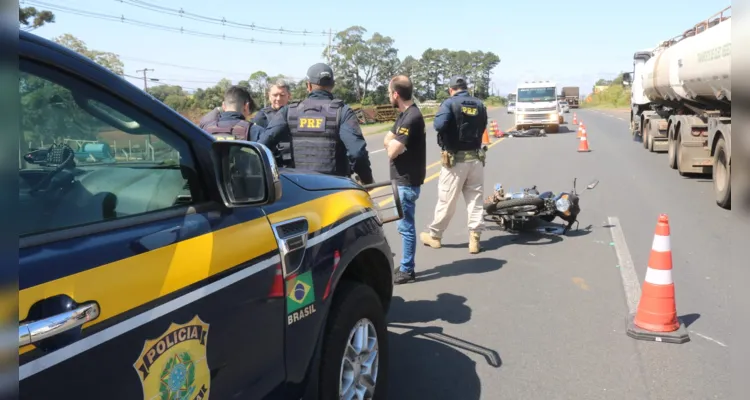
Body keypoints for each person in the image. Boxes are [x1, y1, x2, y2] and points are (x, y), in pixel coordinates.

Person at [258, 63, 374, 184]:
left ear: (308, 85)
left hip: (300, 187)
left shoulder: (289, 111)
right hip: (336, 188)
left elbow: (262, 145)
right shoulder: (343, 111)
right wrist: (367, 180)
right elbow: (357, 153)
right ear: (332, 85)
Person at [419, 75, 488, 254]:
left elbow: (438, 125)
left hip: (455, 161)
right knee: (475, 199)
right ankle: (474, 239)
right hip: (476, 159)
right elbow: (483, 125)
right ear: (466, 87)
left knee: (447, 199)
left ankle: (435, 236)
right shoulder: (479, 104)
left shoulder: (449, 103)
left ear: (451, 90)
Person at [384, 75, 426, 284]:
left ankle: (407, 269)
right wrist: (391, 143)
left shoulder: (411, 117)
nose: (389, 97)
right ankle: (406, 265)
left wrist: (392, 144)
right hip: (400, 180)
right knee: (403, 227)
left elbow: (392, 150)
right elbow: (387, 139)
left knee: (405, 228)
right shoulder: (403, 115)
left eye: (389, 93)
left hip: (406, 181)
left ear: (396, 94)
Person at [253, 79, 293, 166]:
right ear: (269, 96)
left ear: (289, 96)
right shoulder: (262, 116)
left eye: (282, 95)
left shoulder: (294, 113)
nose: (278, 99)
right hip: (271, 163)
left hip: (292, 163)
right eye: (275, 95)